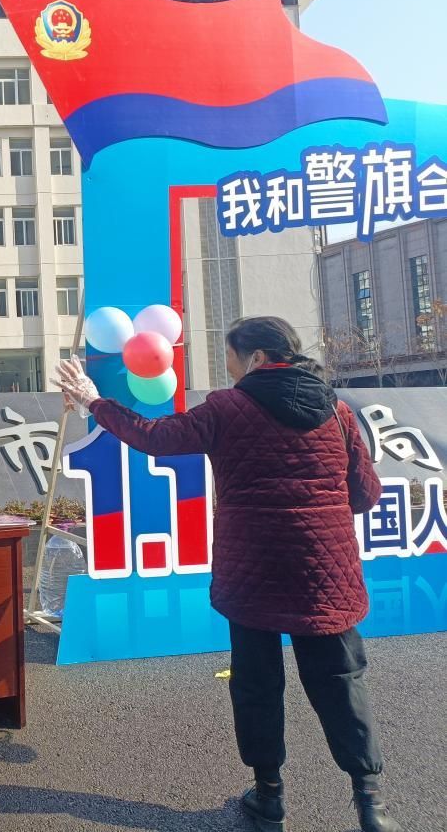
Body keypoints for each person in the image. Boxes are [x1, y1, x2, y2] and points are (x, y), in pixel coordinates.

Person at [53, 316, 401, 832]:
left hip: (253, 566)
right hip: (323, 569)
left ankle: (269, 797)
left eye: (232, 357)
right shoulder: (337, 410)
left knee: (257, 683)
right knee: (340, 681)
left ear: (257, 358)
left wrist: (93, 400)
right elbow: (366, 495)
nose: (229, 368)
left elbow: (155, 437)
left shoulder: (227, 407)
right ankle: (370, 802)